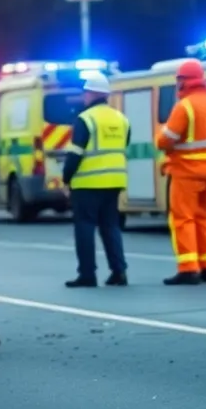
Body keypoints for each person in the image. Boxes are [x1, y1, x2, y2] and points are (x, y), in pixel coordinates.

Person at [155, 58, 206, 285]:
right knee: (204, 218)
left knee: (183, 219)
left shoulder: (184, 106)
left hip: (187, 171)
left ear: (184, 81)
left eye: (179, 80)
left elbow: (166, 140)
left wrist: (159, 136)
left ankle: (188, 268)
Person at [62, 71, 130, 288]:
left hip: (87, 183)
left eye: (85, 92)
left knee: (85, 227)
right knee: (111, 226)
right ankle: (119, 272)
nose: (84, 97)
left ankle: (87, 275)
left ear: (91, 94)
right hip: (114, 181)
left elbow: (75, 154)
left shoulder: (85, 119)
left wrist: (66, 179)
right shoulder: (121, 118)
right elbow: (124, 145)